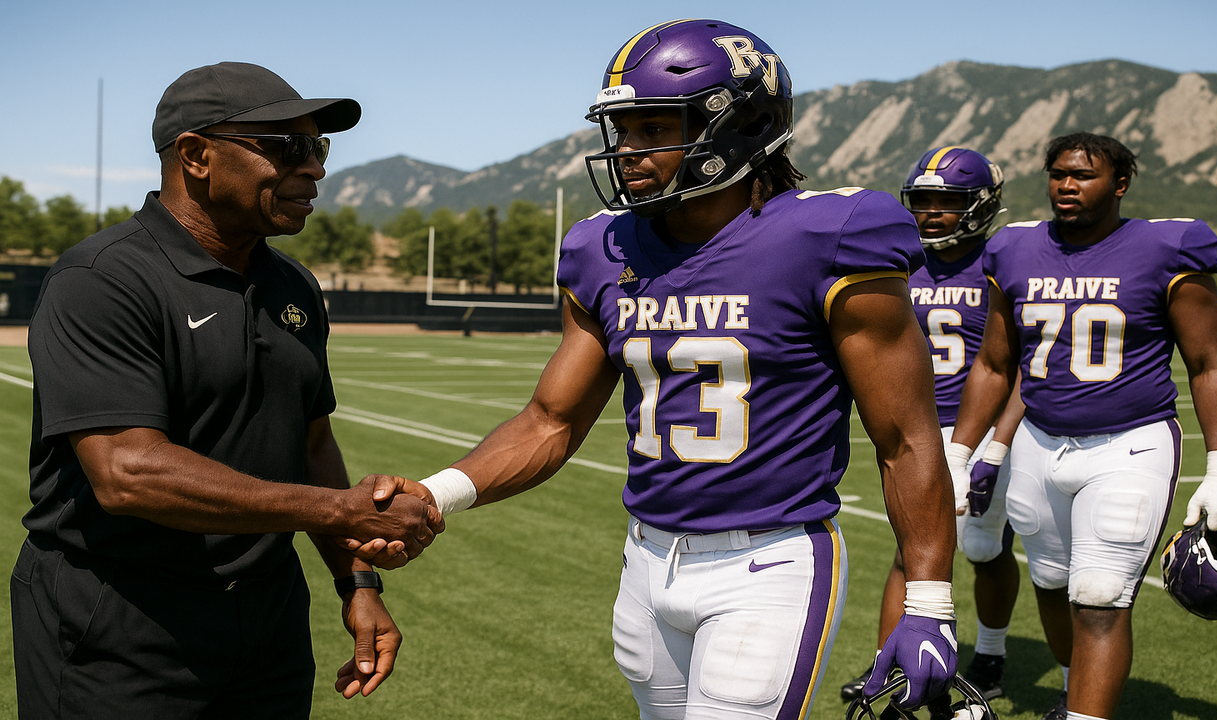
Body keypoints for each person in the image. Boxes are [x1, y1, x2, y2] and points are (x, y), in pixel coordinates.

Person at [365, 18, 957, 720]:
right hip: (645, 561)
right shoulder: (604, 247)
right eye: (621, 130)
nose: (627, 151)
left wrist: (929, 601)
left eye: (653, 128)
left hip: (767, 565)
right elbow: (550, 421)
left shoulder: (826, 237)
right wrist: (436, 494)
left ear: (738, 125)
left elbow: (906, 436)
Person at [11, 62, 443, 719]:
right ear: (196, 156)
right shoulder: (101, 280)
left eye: (319, 147)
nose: (315, 168)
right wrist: (336, 512)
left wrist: (356, 581)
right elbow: (128, 472)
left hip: (267, 622)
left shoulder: (294, 286)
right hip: (119, 621)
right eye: (287, 147)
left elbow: (312, 443)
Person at [947, 132, 1217, 720]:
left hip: (1129, 443)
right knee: (1052, 584)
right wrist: (959, 454)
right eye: (1057, 173)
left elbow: (1209, 363)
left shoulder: (1165, 248)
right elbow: (995, 364)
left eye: (1082, 175)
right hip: (1038, 443)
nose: (1066, 185)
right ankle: (1071, 691)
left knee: (1100, 597)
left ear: (1120, 183)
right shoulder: (1013, 249)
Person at [840, 147, 1025, 713]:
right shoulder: (897, 259)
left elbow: (1021, 364)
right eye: (921, 200)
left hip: (979, 429)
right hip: (911, 428)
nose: (930, 212)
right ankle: (889, 663)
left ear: (982, 204)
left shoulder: (1003, 262)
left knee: (985, 549)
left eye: (946, 201)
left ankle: (990, 653)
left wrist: (996, 444)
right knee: (909, 551)